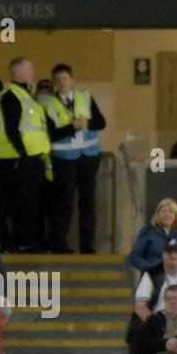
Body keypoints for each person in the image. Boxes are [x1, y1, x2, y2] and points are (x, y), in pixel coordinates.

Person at [0, 57, 51, 252]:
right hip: (15, 159)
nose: (33, 72)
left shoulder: (27, 96)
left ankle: (23, 241)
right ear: (17, 73)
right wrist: (23, 154)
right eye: (29, 69)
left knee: (28, 203)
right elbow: (12, 129)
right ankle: (3, 240)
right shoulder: (12, 95)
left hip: (31, 159)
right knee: (11, 202)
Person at [47, 64, 106, 254]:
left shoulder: (85, 97)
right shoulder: (49, 104)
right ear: (55, 83)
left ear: (72, 81)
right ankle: (60, 245)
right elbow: (51, 133)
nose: (62, 82)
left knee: (88, 202)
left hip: (88, 156)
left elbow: (101, 122)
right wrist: (73, 127)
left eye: (65, 78)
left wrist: (86, 123)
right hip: (64, 159)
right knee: (64, 202)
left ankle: (88, 247)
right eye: (58, 80)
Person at [127, 199, 177, 273]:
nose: (167, 215)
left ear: (176, 215)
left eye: (171, 212)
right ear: (158, 214)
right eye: (164, 212)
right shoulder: (148, 232)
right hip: (153, 277)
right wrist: (149, 268)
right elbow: (134, 257)